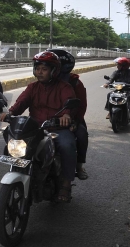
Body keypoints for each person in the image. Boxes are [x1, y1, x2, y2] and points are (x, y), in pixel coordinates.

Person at [0, 51, 77, 203]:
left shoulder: (64, 87)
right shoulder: (32, 87)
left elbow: (69, 101)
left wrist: (66, 115)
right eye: (37, 68)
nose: (39, 72)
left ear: (53, 71)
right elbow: (21, 102)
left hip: (56, 129)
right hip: (36, 129)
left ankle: (66, 184)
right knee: (14, 142)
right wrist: (9, 113)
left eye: (44, 69)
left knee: (68, 145)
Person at [48, 49, 89, 180]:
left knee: (82, 135)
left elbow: (81, 106)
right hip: (45, 120)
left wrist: (74, 121)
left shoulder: (74, 83)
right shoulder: (42, 81)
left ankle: (79, 165)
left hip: (70, 120)